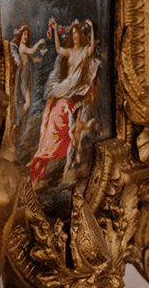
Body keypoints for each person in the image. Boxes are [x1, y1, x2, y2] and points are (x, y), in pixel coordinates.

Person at [28, 18, 99, 186]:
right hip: (67, 84)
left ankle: (51, 151)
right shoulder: (71, 50)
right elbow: (59, 49)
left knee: (58, 109)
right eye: (72, 34)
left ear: (80, 35)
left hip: (74, 85)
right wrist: (55, 29)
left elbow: (92, 48)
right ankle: (44, 146)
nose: (74, 37)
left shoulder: (83, 50)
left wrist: (91, 27)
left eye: (76, 34)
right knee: (50, 107)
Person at [8, 23, 48, 135]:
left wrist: (37, 60)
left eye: (27, 35)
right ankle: (16, 122)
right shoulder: (22, 46)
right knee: (28, 102)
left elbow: (30, 58)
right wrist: (39, 42)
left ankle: (18, 124)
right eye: (24, 34)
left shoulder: (25, 46)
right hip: (24, 75)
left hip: (28, 73)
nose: (25, 37)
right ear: (21, 35)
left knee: (27, 102)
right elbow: (31, 51)